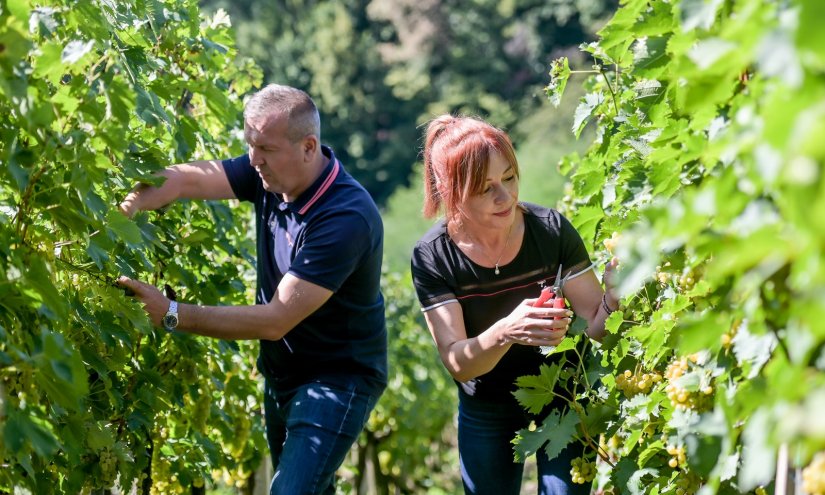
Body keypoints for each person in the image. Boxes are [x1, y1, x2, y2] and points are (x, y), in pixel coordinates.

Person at [118, 84, 387, 494]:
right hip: (282, 374)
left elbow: (276, 319)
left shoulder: (345, 218)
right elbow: (186, 181)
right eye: (249, 145)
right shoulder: (269, 172)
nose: (253, 160)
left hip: (337, 378)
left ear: (308, 147)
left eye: (265, 148)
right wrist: (130, 204)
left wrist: (172, 312)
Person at [410, 115, 619, 495]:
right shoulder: (433, 257)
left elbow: (594, 325)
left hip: (563, 395)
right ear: (449, 190)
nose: (505, 197)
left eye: (509, 178)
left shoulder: (550, 230)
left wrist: (615, 299)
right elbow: (458, 363)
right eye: (485, 188)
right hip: (486, 406)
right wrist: (507, 330)